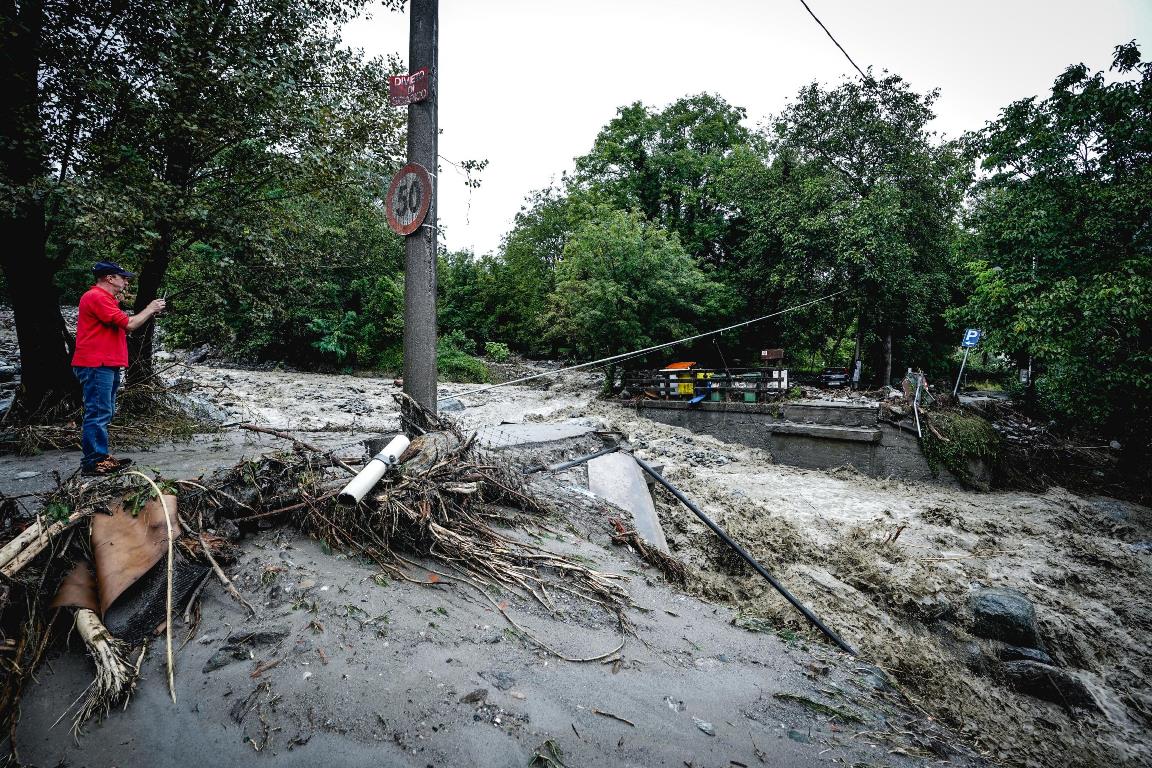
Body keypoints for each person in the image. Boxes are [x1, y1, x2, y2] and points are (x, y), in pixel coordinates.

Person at [72, 261, 166, 476]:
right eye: (122, 277)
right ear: (109, 278)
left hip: (106, 363)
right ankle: (94, 462)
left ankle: (101, 457)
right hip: (97, 363)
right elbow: (130, 324)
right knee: (98, 412)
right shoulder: (96, 297)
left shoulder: (105, 299)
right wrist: (150, 308)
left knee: (104, 411)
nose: (126, 281)